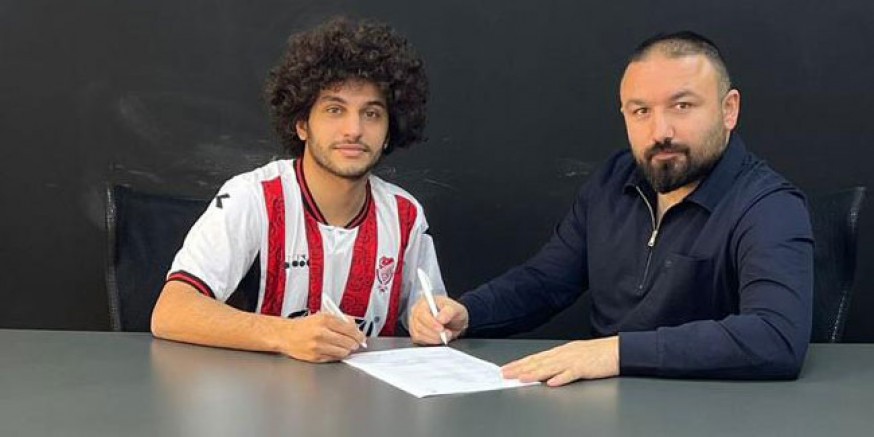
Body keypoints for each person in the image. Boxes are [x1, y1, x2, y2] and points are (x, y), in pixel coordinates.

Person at [409, 31, 813, 385]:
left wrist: (614, 352)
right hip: (606, 407)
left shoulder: (768, 205)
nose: (661, 132)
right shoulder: (612, 182)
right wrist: (468, 313)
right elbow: (546, 281)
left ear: (729, 110)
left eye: (682, 106)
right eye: (641, 111)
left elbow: (775, 336)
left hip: (710, 411)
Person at [151, 17, 445, 363]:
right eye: (335, 110)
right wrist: (284, 334)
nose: (353, 129)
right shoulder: (253, 197)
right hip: (260, 393)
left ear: (388, 131)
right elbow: (171, 311)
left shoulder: (404, 214)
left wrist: (434, 319)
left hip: (371, 396)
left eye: (371, 114)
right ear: (302, 124)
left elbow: (428, 310)